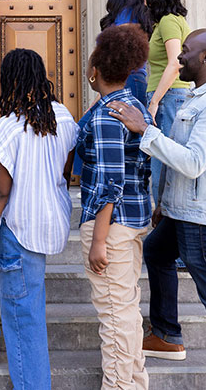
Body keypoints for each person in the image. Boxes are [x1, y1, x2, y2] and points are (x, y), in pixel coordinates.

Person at [109, 29, 206, 390]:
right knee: (157, 251)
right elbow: (182, 156)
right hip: (186, 212)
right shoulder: (199, 97)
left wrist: (144, 130)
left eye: (185, 52)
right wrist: (167, 205)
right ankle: (166, 334)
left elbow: (193, 162)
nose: (179, 58)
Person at [0, 49, 79, 390]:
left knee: (24, 315)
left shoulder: (9, 126)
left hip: (20, 224)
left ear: (10, 81)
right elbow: (65, 171)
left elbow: (0, 192)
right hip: (48, 218)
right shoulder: (64, 117)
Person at [78, 25, 153, 390]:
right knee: (126, 311)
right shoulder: (133, 106)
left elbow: (110, 181)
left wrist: (99, 240)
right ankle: (135, 383)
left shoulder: (109, 115)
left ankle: (121, 387)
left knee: (114, 314)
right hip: (134, 218)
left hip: (112, 225)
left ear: (95, 70)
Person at [74, 0, 154, 178]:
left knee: (107, 130)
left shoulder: (132, 16)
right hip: (123, 79)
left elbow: (118, 53)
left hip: (129, 78)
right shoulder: (131, 15)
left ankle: (106, 182)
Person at [142, 0, 192, 202]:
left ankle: (162, 217)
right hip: (170, 95)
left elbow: (175, 62)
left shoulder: (168, 22)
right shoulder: (171, 21)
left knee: (163, 161)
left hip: (168, 95)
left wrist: (154, 101)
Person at [100, 0, 154, 106]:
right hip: (127, 80)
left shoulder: (127, 15)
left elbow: (120, 53)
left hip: (126, 80)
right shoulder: (134, 14)